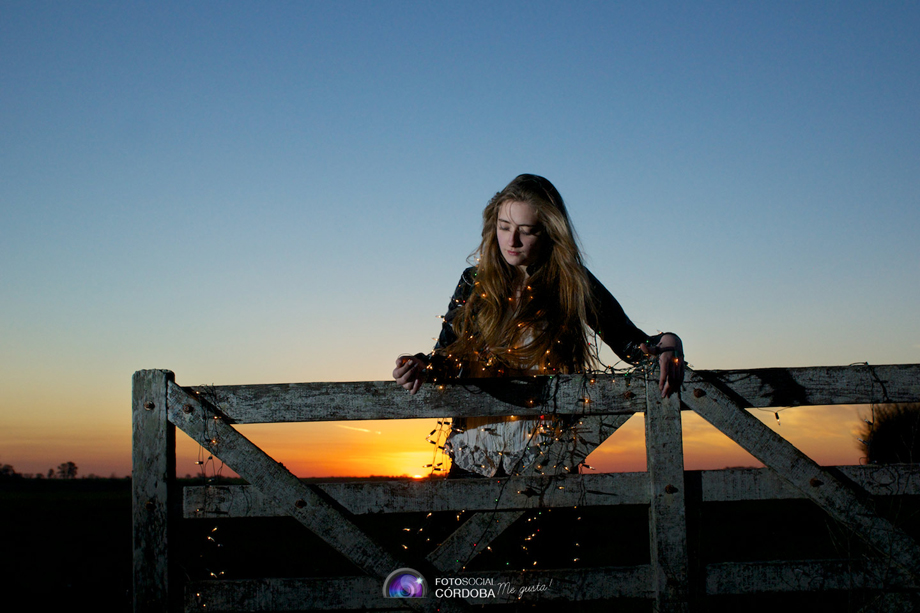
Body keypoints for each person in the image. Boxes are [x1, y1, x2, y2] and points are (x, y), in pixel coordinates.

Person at [393, 174, 684, 478]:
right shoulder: (473, 281)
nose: (511, 240)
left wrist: (670, 344)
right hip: (474, 453)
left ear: (549, 232)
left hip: (547, 454)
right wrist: (419, 366)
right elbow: (446, 357)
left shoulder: (571, 282)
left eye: (527, 231)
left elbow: (630, 343)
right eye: (504, 227)